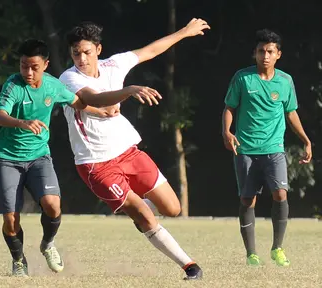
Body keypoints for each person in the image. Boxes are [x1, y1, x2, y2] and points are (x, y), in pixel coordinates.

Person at [0, 39, 160, 277]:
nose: (28, 72)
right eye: (23, 66)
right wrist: (22, 123)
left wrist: (100, 112)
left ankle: (47, 244)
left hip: (39, 157)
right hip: (7, 158)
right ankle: (18, 260)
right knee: (10, 218)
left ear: (46, 65)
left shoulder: (53, 86)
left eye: (34, 67)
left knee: (53, 205)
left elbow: (78, 103)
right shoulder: (14, 85)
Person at [59, 19, 210, 280]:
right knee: (144, 214)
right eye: (76, 53)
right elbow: (90, 99)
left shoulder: (113, 65)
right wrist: (127, 90)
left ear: (98, 49)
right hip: (96, 164)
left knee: (172, 208)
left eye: (86, 52)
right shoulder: (69, 77)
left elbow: (149, 50)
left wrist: (184, 33)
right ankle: (190, 266)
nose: (81, 58)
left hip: (128, 152)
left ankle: (138, 213)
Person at [222, 29, 312, 266]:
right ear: (255, 53)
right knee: (247, 200)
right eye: (261, 51)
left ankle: (277, 248)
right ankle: (251, 253)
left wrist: (305, 139)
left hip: (274, 149)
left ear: (278, 54)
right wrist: (227, 131)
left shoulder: (285, 81)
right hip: (246, 149)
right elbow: (229, 107)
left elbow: (290, 112)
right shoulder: (242, 78)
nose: (265, 55)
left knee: (280, 194)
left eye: (270, 51)